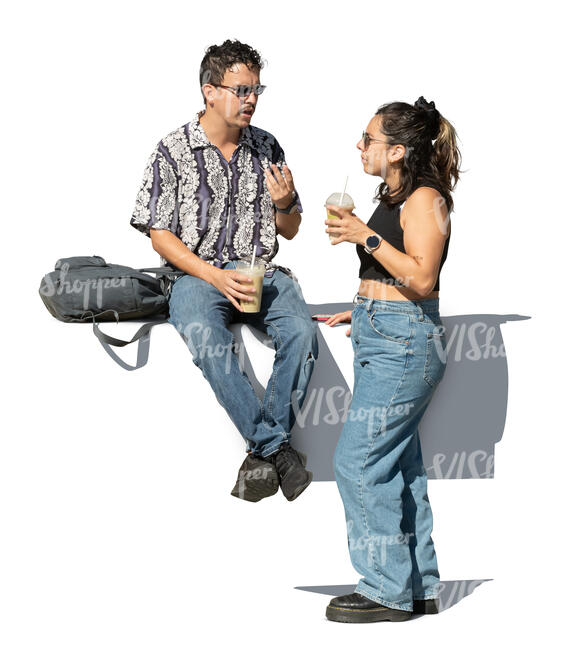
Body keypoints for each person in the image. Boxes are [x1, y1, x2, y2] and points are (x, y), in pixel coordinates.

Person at [130, 40, 318, 503]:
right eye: (242, 89)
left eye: (257, 89)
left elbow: (290, 229)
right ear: (209, 91)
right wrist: (213, 276)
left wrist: (285, 203)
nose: (252, 98)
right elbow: (159, 234)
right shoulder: (173, 149)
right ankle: (275, 448)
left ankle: (261, 453)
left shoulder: (267, 146)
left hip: (261, 272)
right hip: (196, 275)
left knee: (302, 335)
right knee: (207, 340)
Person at [322, 97, 461, 622]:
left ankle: (384, 589)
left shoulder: (426, 198)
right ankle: (419, 586)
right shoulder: (396, 194)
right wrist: (361, 311)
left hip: (404, 342)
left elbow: (423, 278)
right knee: (398, 464)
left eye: (369, 139)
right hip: (385, 333)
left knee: (357, 461)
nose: (360, 147)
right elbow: (393, 276)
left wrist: (365, 234)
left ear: (398, 150)